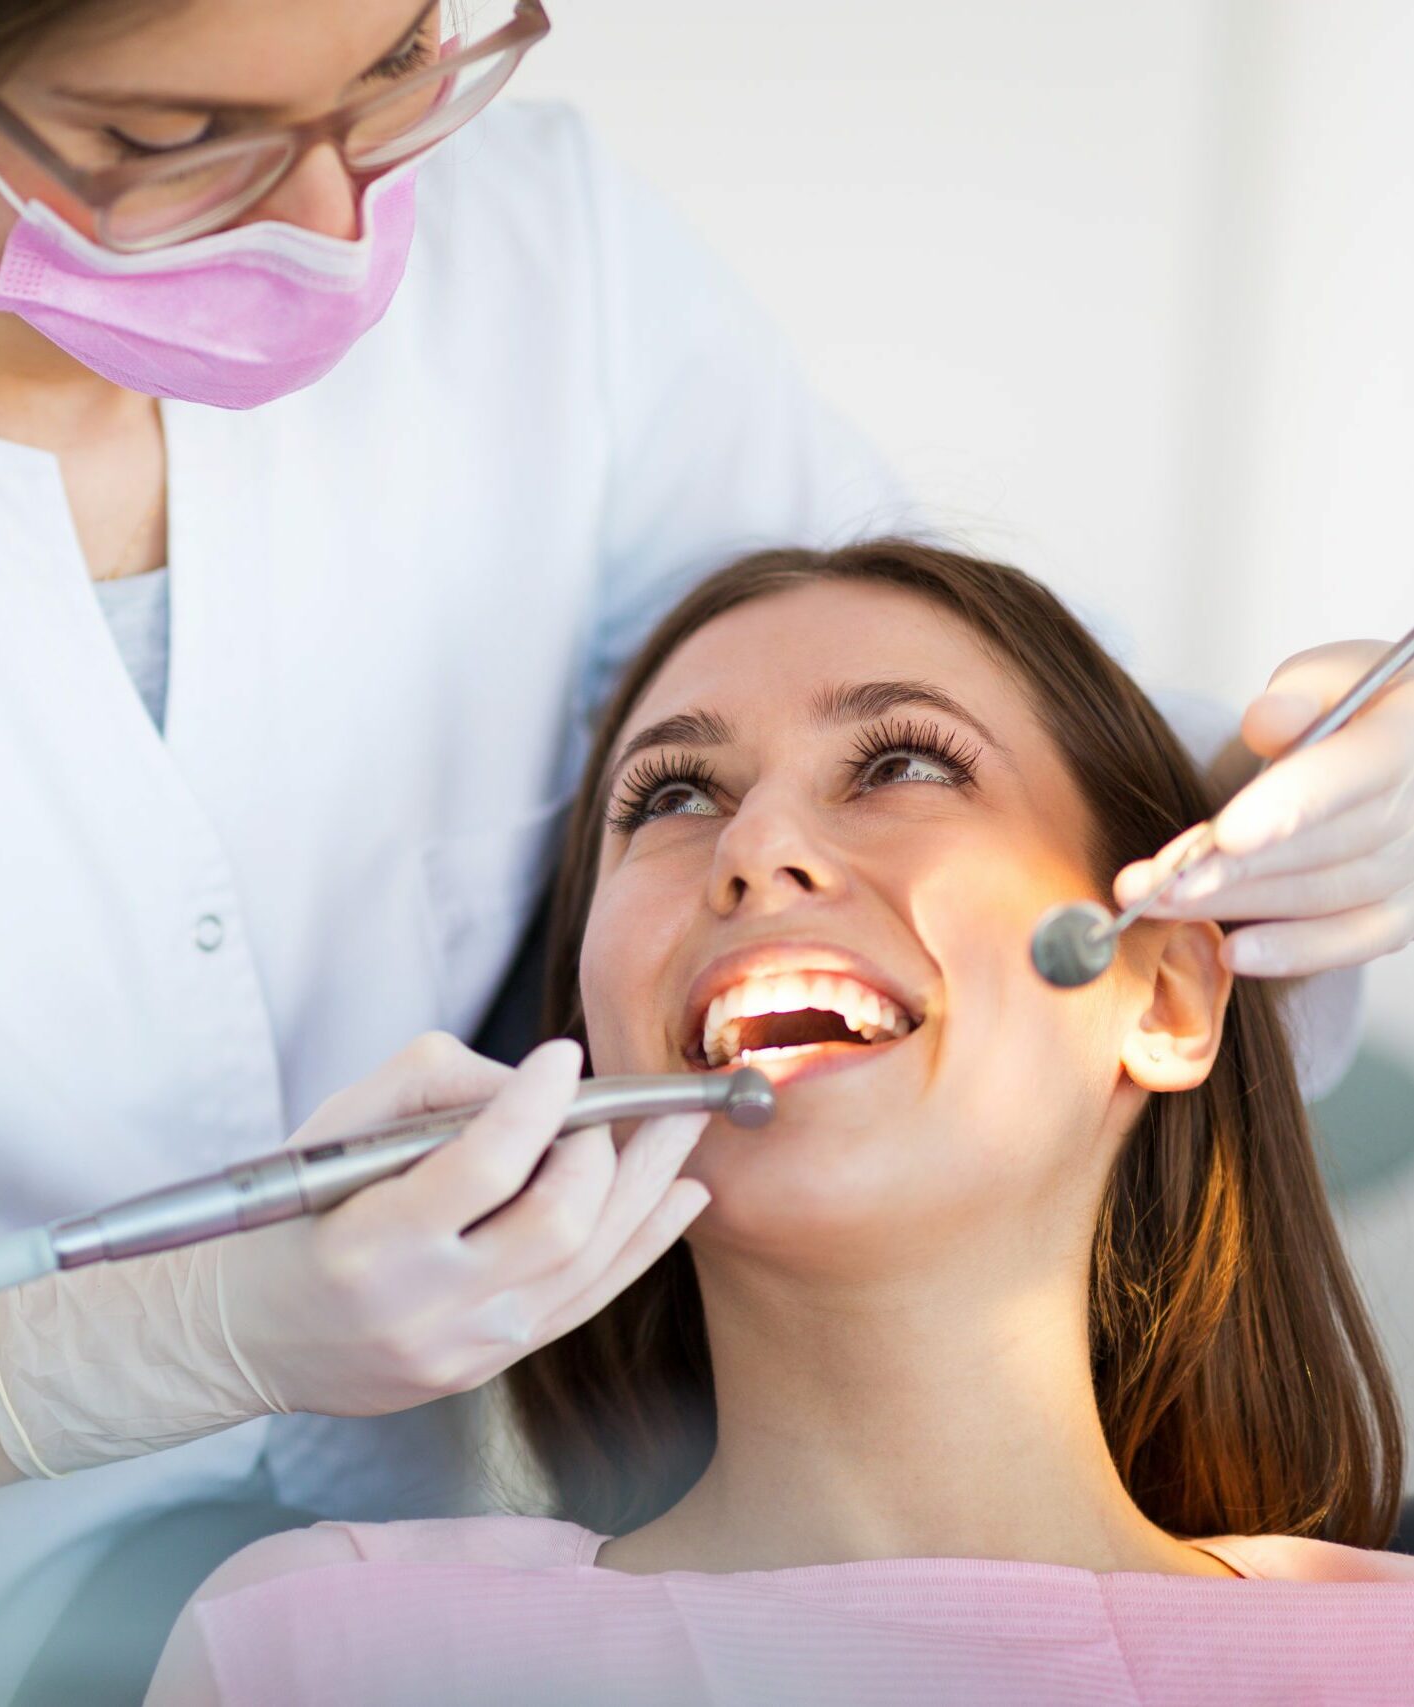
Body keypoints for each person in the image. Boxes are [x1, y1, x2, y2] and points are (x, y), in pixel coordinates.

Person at [0, 0, 1414, 1697]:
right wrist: (153, 1340)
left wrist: (1285, 766)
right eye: (179, 138)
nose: (343, 223)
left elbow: (989, 729)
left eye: (394, 71)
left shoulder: (549, 276)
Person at [148, 540, 1413, 1707]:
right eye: (669, 798)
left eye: (902, 764)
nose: (750, 847)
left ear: (1166, 994)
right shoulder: (324, 1651)